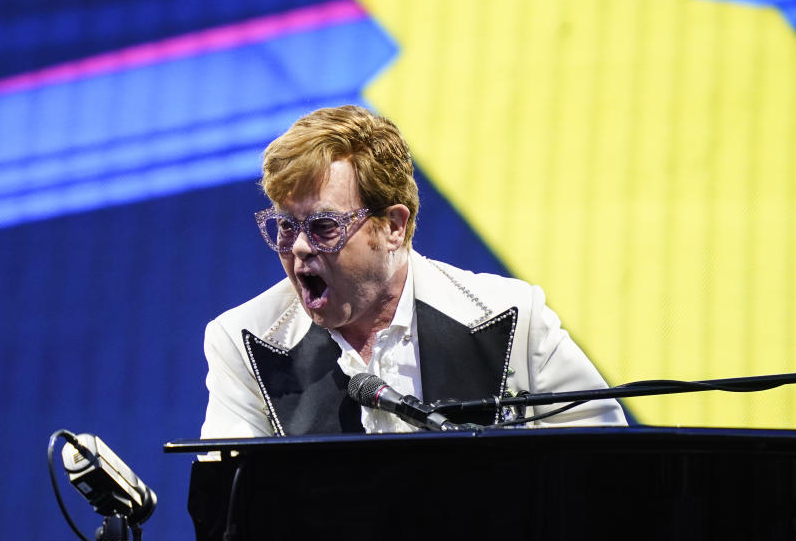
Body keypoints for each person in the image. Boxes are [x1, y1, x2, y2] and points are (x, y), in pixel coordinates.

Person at [201, 105, 625, 438]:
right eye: (286, 225)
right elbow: (232, 507)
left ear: (393, 226)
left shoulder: (513, 315)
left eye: (324, 227)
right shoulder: (243, 341)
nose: (297, 246)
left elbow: (604, 463)